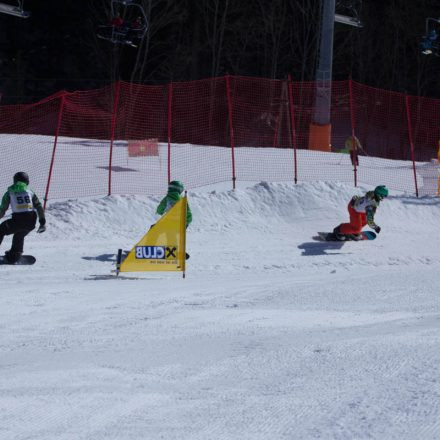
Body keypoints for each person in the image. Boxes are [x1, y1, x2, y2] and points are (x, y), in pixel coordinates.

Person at [0, 172, 46, 263]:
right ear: (27, 181)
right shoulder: (30, 192)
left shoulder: (9, 192)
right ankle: (15, 254)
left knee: (1, 230)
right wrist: (42, 222)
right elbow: (39, 207)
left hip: (17, 220)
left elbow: (2, 209)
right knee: (19, 235)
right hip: (31, 221)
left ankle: (15, 253)